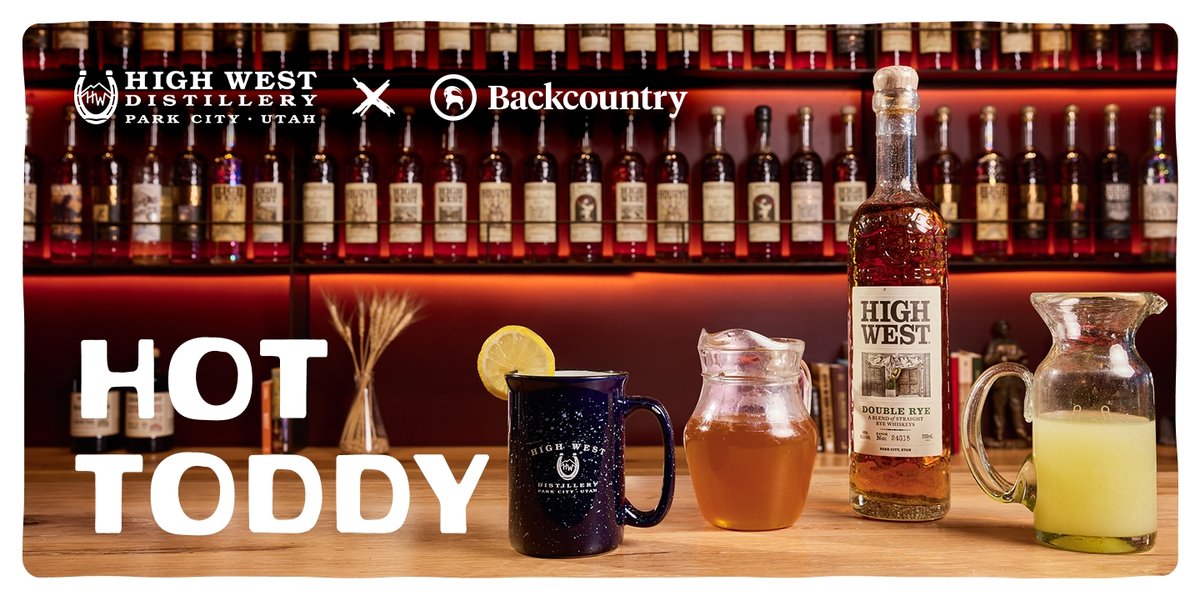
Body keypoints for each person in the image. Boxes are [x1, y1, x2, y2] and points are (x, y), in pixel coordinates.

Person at [982, 319, 1031, 447]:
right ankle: (998, 434)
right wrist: (999, 357)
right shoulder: (994, 344)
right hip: (1000, 381)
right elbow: (987, 359)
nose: (1004, 330)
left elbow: (1023, 357)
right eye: (1001, 328)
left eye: (1006, 328)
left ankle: (1020, 433)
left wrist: (1022, 360)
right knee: (999, 409)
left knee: (1016, 407)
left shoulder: (1014, 344)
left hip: (1013, 380)